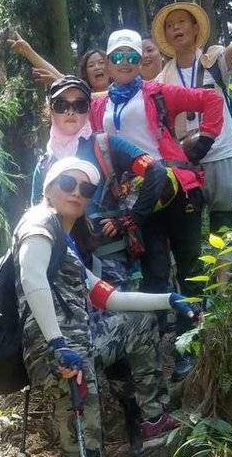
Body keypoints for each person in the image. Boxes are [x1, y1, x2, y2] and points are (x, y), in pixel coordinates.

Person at [5, 157, 196, 457]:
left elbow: (109, 299)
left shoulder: (66, 245)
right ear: (49, 186)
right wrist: (57, 343)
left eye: (87, 189)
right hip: (61, 359)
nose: (78, 192)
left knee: (137, 322)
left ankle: (152, 420)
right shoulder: (39, 223)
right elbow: (31, 277)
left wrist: (167, 299)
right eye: (68, 182)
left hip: (81, 347)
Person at [31, 75, 177, 447]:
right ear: (50, 110)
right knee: (102, 340)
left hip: (112, 260)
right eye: (62, 105)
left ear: (88, 110)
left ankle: (142, 420)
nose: (71, 112)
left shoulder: (104, 144)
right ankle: (127, 421)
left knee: (129, 329)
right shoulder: (44, 164)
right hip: (68, 274)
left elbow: (156, 172)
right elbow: (37, 220)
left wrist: (131, 218)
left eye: (80, 105)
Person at [89, 29, 224, 323]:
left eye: (133, 57)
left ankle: (195, 334)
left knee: (189, 265)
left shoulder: (157, 92)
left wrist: (206, 139)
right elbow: (71, 111)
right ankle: (160, 337)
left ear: (141, 62)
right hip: (140, 198)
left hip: (179, 188)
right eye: (118, 57)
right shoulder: (98, 106)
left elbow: (211, 100)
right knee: (155, 270)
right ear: (108, 63)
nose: (125, 62)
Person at [151, 0, 232, 234]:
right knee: (189, 223)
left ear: (196, 28)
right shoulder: (161, 80)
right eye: (170, 26)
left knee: (222, 219)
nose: (176, 28)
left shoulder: (214, 61)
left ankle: (224, 261)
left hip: (221, 151)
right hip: (186, 158)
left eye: (182, 22)